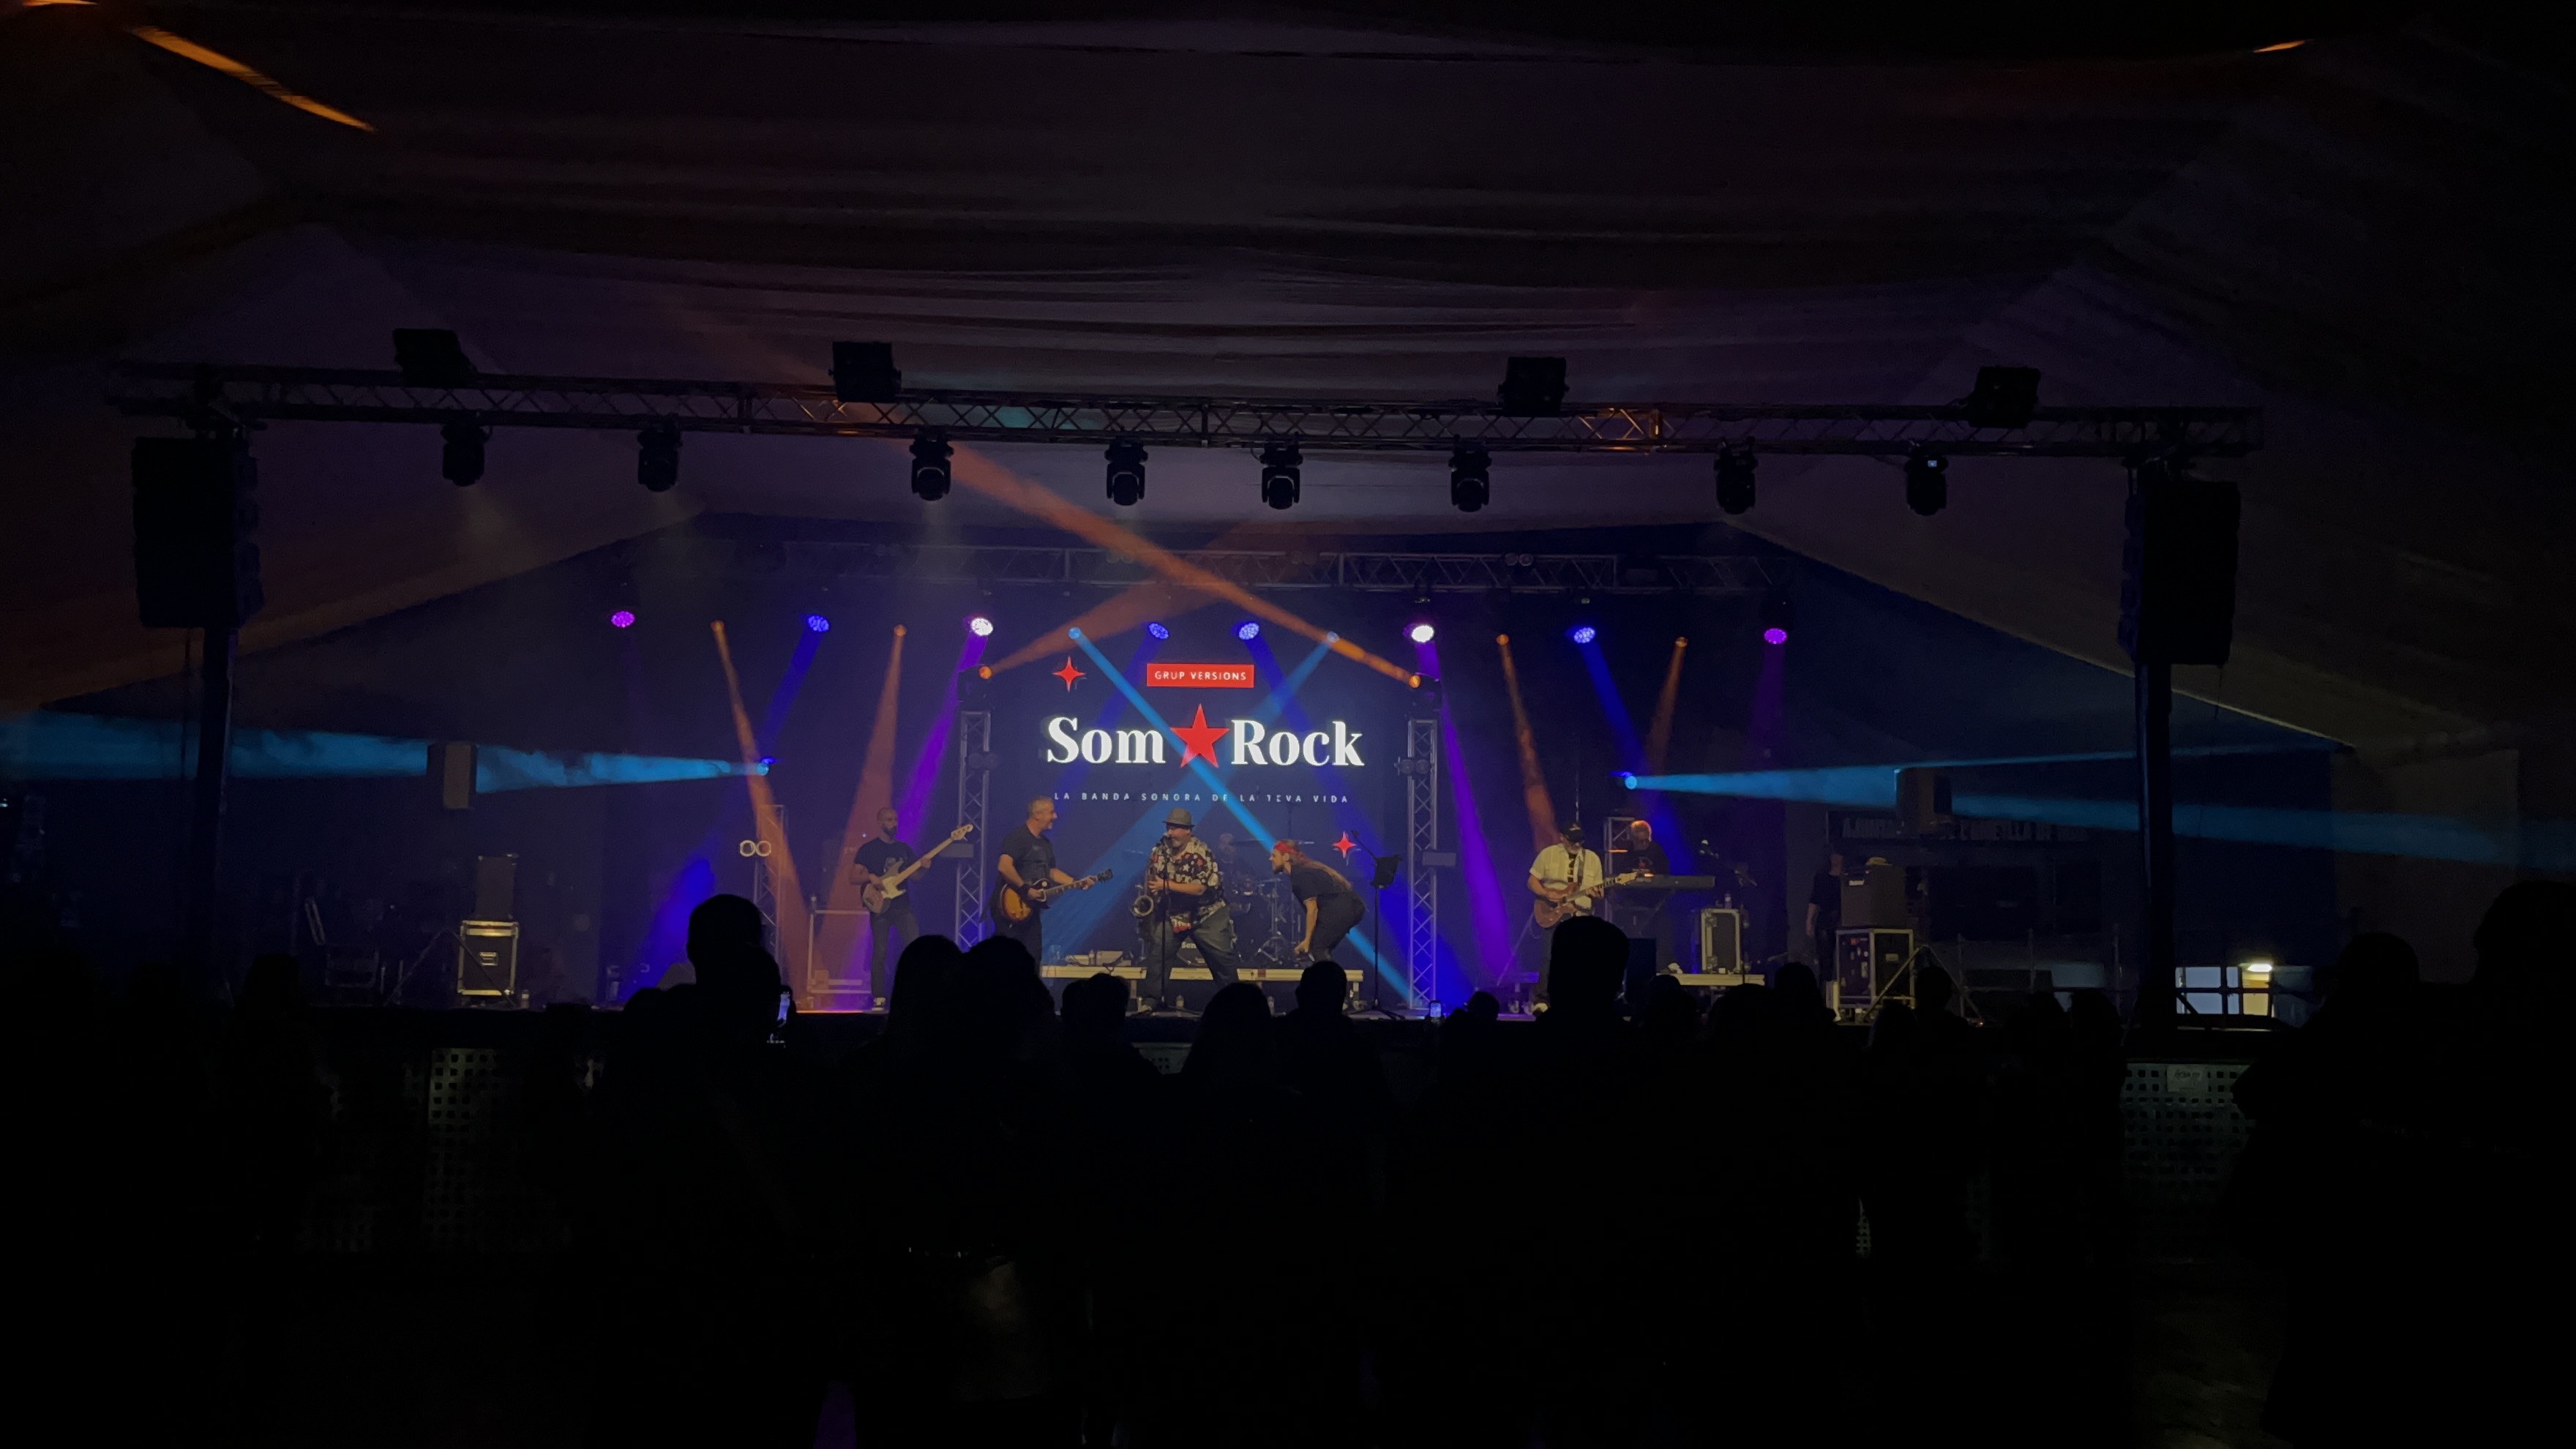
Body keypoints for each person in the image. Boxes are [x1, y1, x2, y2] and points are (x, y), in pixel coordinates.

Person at [1139, 807, 1240, 1012]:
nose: (1170, 833)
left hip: (1207, 915)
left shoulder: (1201, 852)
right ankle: (1151, 1001)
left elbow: (1199, 888)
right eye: (1169, 828)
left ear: (1188, 831)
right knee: (1159, 953)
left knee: (1222, 960)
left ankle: (1235, 1003)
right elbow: (1151, 877)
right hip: (1175, 914)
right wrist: (1149, 907)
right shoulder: (1159, 850)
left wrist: (1166, 886)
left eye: (1175, 828)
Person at [995, 796, 1090, 963]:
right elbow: (1004, 866)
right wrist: (1025, 890)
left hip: (1031, 911)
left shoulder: (1046, 844)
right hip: (1011, 908)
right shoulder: (1017, 837)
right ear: (1037, 815)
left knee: (1033, 957)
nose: (1055, 816)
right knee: (1009, 960)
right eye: (1051, 813)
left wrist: (1076, 883)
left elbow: (1051, 872)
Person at [1527, 822, 1603, 1006]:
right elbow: (1532, 881)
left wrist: (1597, 894)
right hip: (1554, 911)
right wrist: (1547, 894)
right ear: (1562, 838)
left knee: (1580, 959)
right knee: (1550, 957)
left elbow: (1599, 891)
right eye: (1573, 841)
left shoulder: (1592, 859)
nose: (1577, 845)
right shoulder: (1548, 854)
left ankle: (1576, 1000)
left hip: (1581, 914)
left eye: (1580, 841)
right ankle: (1542, 1000)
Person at [849, 805, 920, 1004]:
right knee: (880, 951)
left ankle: (914, 991)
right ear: (880, 823)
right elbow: (853, 877)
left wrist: (924, 867)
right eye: (889, 820)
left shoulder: (904, 850)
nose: (894, 824)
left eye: (895, 820)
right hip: (880, 906)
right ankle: (878, 996)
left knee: (915, 946)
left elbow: (915, 877)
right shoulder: (868, 849)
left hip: (902, 906)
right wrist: (871, 877)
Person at [1273, 839, 1366, 969]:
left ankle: (1328, 979)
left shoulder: (1299, 875)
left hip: (1342, 908)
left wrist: (1307, 940)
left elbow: (1312, 909)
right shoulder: (1303, 872)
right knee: (1319, 946)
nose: (1271, 859)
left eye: (1274, 855)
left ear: (1286, 857)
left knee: (1318, 946)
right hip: (1350, 906)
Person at [1604, 819, 1675, 967]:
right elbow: (1620, 875)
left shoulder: (1657, 851)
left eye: (1646, 841)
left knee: (1662, 925)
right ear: (1633, 839)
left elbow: (1666, 876)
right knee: (1622, 922)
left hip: (1653, 901)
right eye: (1639, 841)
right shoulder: (1628, 853)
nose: (1643, 844)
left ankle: (1665, 963)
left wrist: (1654, 880)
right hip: (1632, 899)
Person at [1805, 850, 1847, 958]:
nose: (1835, 857)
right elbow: (1814, 899)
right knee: (1825, 957)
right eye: (1833, 854)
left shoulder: (1847, 878)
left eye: (1838, 854)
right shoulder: (1821, 879)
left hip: (1845, 920)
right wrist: (1809, 921)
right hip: (1825, 921)